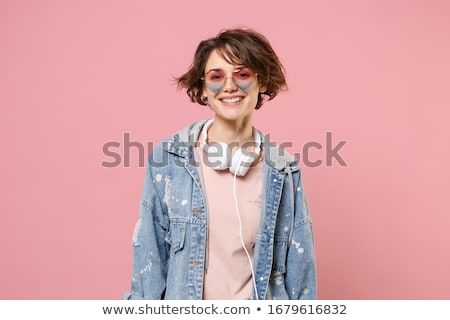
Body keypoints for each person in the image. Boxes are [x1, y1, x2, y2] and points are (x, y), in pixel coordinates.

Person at [123, 28, 316, 300]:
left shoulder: (283, 170)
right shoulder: (169, 161)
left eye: (243, 74)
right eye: (216, 77)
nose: (229, 86)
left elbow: (300, 272)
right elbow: (149, 258)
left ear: (262, 82)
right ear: (203, 89)